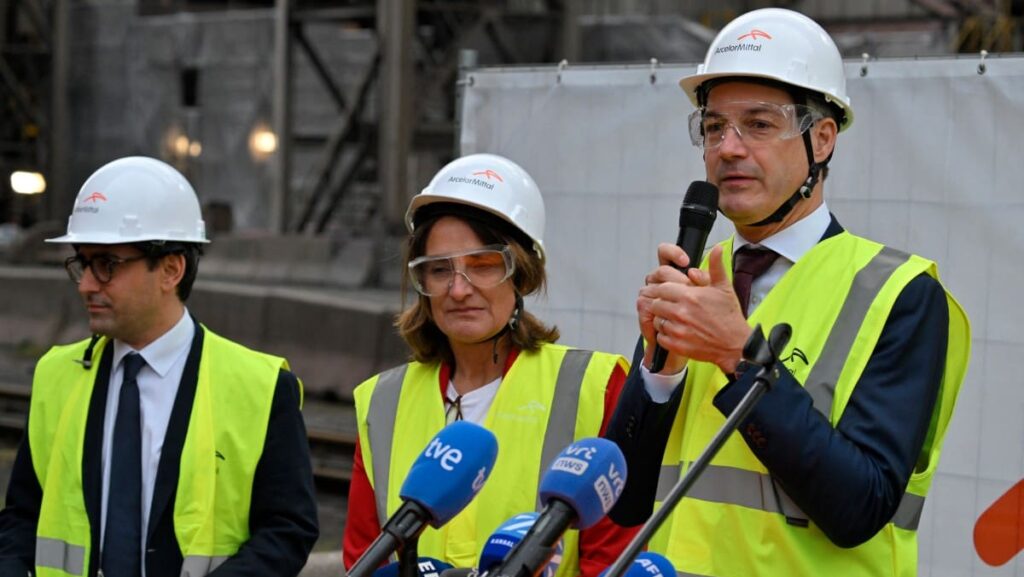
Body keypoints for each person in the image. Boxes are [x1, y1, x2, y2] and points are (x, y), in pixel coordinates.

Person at [604, 8, 970, 577]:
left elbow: (860, 507)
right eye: (714, 126)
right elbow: (622, 500)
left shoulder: (900, 294)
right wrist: (660, 373)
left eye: (759, 123)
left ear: (821, 139)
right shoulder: (698, 279)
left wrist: (738, 357)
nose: (727, 147)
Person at [0, 156, 319, 576]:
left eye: (106, 265)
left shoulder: (260, 387)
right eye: (82, 262)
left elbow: (287, 529)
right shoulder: (56, 375)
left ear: (171, 269)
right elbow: (23, 516)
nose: (86, 283)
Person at [342, 153, 637, 577]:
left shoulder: (594, 385)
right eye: (439, 270)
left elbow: (611, 557)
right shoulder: (380, 401)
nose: (459, 289)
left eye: (483, 265)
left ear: (522, 272)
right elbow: (363, 557)